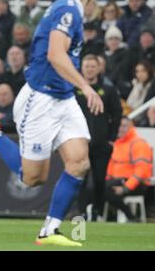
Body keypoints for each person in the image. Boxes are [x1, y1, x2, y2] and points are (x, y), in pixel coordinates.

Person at [0, 0, 102, 246]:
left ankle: (49, 230)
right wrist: (86, 86)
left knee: (79, 162)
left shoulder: (67, 6)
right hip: (40, 99)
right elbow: (55, 55)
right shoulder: (68, 9)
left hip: (62, 98)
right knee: (33, 178)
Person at [75, 55, 122, 221]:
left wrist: (112, 137)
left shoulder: (108, 90)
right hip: (80, 143)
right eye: (86, 66)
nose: (89, 69)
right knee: (79, 179)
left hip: (101, 144)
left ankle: (98, 212)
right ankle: (81, 212)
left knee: (100, 180)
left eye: (92, 66)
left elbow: (117, 114)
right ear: (82, 68)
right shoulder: (75, 90)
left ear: (99, 68)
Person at [105, 117, 153, 222]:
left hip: (138, 184)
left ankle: (130, 216)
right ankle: (129, 216)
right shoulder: (118, 143)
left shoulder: (138, 143)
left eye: (124, 126)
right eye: (119, 125)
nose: (120, 129)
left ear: (131, 127)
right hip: (119, 181)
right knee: (97, 186)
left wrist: (125, 188)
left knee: (104, 188)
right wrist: (107, 180)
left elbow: (141, 171)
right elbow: (111, 168)